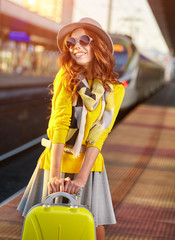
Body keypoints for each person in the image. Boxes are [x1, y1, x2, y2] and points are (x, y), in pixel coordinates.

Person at [17, 17, 125, 239]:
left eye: (84, 40)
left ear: (99, 45)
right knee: (44, 223)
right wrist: (54, 176)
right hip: (55, 161)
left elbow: (99, 135)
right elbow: (60, 124)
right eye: (71, 43)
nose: (76, 46)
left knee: (93, 225)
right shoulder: (67, 78)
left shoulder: (114, 89)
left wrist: (82, 179)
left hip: (89, 167)